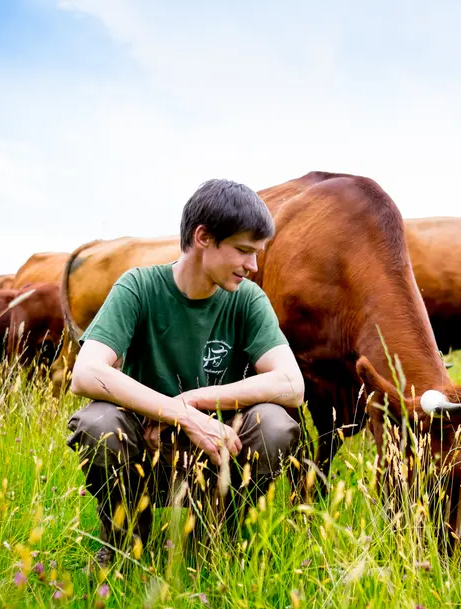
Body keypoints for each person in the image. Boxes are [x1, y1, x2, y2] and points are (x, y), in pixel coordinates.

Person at [66, 178, 305, 568]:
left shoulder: (246, 300)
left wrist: (192, 402)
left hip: (219, 448)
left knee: (276, 425)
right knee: (98, 423)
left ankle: (214, 543)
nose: (253, 266)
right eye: (244, 250)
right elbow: (86, 373)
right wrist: (179, 415)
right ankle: (127, 547)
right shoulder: (139, 287)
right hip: (147, 444)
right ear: (204, 237)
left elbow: (292, 385)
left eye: (257, 253)